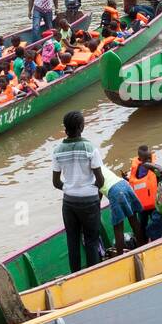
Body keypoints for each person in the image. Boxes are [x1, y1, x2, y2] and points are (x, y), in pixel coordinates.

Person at [53, 110, 105, 273]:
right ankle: (93, 274)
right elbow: (100, 180)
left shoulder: (58, 150)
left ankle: (75, 275)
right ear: (81, 127)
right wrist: (90, 190)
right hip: (89, 201)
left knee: (72, 240)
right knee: (91, 240)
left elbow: (56, 182)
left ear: (65, 128)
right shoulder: (90, 148)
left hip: (69, 202)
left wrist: (70, 188)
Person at [103, 175, 146, 254]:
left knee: (118, 227)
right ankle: (143, 247)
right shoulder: (98, 165)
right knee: (134, 220)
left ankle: (120, 256)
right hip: (124, 184)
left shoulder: (89, 173)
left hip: (115, 191)